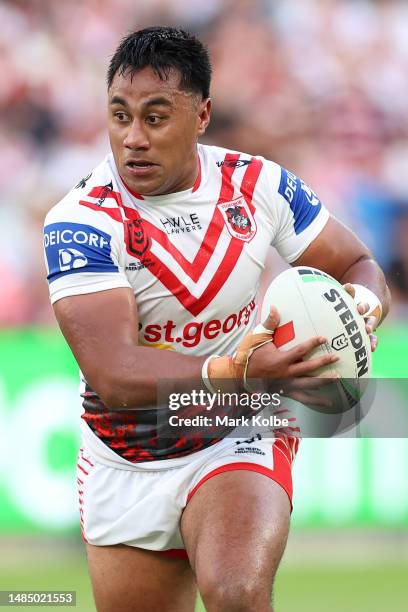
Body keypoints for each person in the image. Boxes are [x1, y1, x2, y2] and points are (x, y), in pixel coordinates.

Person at [43, 26, 390, 612]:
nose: (133, 139)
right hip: (126, 453)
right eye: (119, 116)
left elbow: (357, 262)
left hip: (238, 427)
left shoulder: (259, 186)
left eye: (155, 117)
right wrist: (241, 372)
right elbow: (116, 376)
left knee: (235, 594)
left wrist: (363, 306)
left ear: (202, 115)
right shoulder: (80, 220)